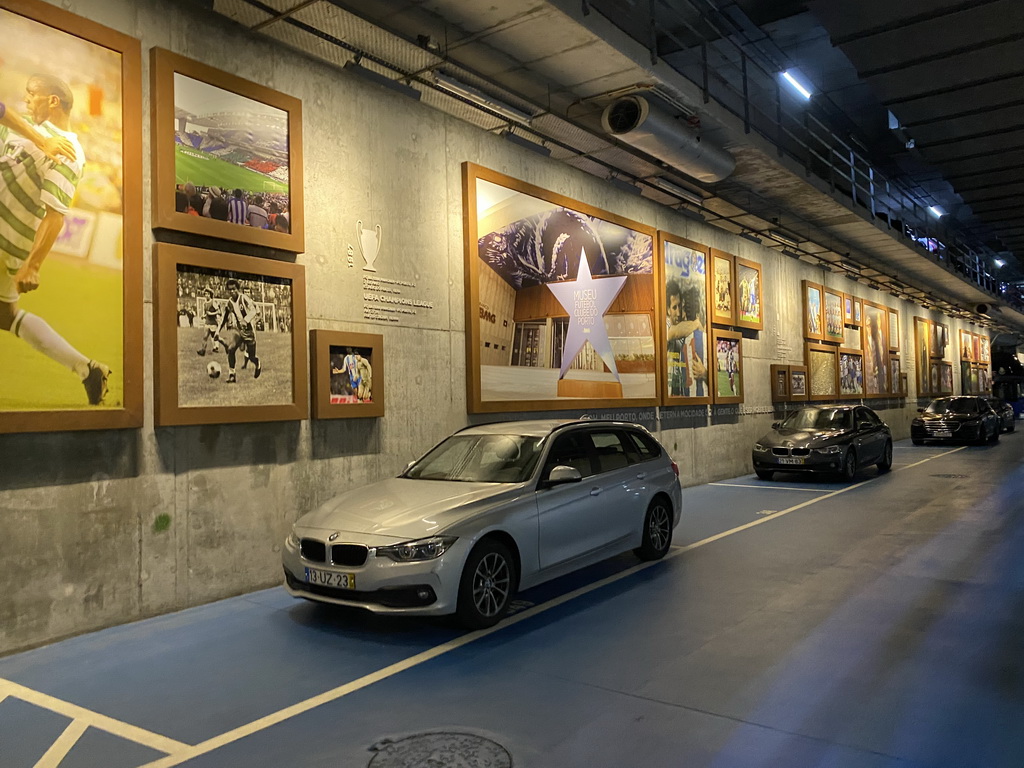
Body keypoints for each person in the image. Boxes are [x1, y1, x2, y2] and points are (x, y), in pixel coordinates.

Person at [0, 75, 110, 405]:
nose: (26, 100)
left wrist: (33, 264)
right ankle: (88, 370)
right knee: (6, 317)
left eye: (31, 94)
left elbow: (55, 213)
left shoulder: (69, 151)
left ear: (53, 101)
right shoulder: (19, 129)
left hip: (6, 238)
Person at [215, 278, 261, 383]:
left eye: (234, 289)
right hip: (239, 330)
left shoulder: (244, 298)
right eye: (229, 290)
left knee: (251, 356)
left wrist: (246, 320)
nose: (232, 291)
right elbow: (224, 318)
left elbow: (253, 310)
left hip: (249, 332)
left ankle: (257, 362)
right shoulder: (229, 303)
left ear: (237, 289)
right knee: (231, 349)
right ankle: (232, 375)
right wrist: (217, 330)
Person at [665, 278, 704, 397]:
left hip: (680, 393)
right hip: (668, 395)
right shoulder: (665, 324)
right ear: (667, 309)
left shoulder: (682, 324)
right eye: (674, 307)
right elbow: (675, 332)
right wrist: (696, 324)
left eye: (679, 306)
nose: (678, 312)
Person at [195, 288, 221, 356]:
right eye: (205, 294)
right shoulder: (204, 303)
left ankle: (220, 347)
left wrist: (211, 314)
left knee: (214, 336)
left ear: (210, 295)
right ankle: (203, 351)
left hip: (213, 323)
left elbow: (219, 312)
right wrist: (203, 316)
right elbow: (206, 313)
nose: (206, 295)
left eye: (207, 294)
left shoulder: (213, 302)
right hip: (207, 322)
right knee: (205, 337)